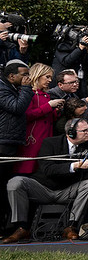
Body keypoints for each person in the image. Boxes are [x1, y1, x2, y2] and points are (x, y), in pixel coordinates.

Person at [3, 118, 88, 243]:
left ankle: (71, 226)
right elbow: (48, 169)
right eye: (84, 130)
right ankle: (21, 228)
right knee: (15, 183)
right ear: (71, 133)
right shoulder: (50, 143)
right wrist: (75, 165)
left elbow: (87, 175)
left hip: (67, 190)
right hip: (43, 188)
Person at [0, 60, 34, 222]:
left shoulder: (12, 87)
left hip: (10, 141)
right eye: (24, 75)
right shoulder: (2, 88)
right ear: (11, 76)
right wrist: (27, 88)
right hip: (3, 143)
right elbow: (17, 107)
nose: (28, 78)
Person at [14, 63, 63, 175]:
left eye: (51, 77)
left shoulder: (46, 95)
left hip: (45, 137)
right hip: (32, 138)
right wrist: (49, 106)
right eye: (47, 77)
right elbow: (26, 115)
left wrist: (56, 111)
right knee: (27, 168)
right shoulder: (27, 93)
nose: (50, 80)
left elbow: (48, 118)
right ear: (37, 75)